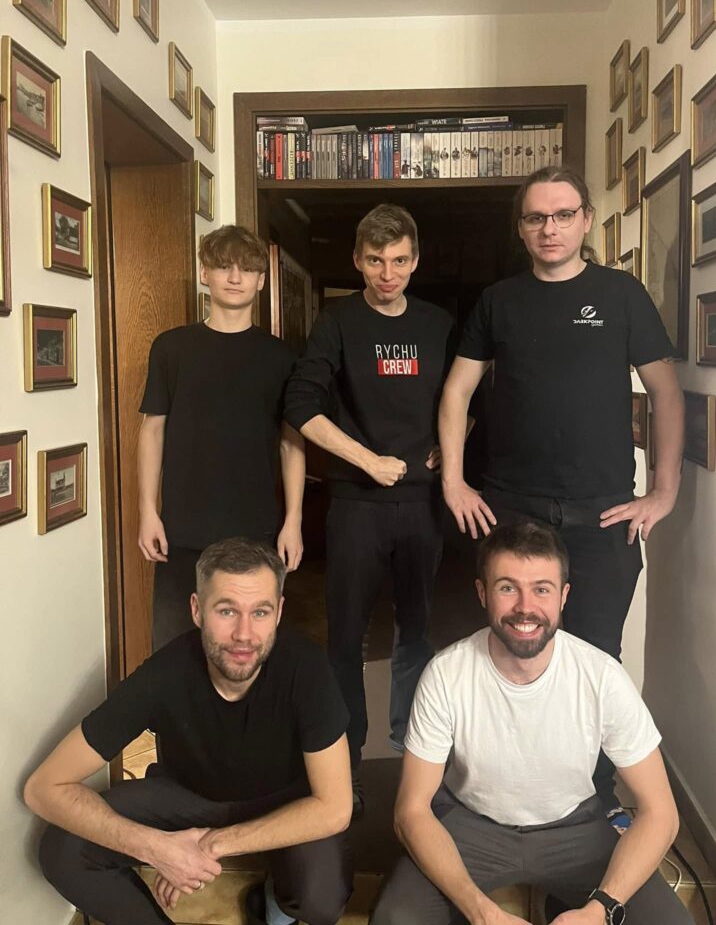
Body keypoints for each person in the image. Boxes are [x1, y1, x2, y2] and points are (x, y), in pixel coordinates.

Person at [438, 165, 684, 810]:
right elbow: (457, 391)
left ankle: (591, 801)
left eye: (563, 215)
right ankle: (498, 794)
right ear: (521, 228)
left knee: (597, 661)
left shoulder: (621, 295)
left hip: (603, 515)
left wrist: (664, 492)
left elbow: (665, 392)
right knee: (508, 655)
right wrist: (455, 482)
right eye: (536, 217)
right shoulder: (498, 301)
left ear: (585, 221)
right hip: (512, 511)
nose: (550, 228)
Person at [371, 522, 693, 925]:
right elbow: (411, 811)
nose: (525, 607)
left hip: (574, 828)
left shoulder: (601, 677)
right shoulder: (445, 674)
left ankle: (562, 903)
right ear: (482, 593)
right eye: (508, 588)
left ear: (563, 596)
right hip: (471, 824)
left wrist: (599, 910)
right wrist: (480, 911)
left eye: (541, 589)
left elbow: (661, 813)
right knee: (396, 918)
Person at [25, 538, 353, 925]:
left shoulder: (308, 669)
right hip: (187, 797)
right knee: (62, 850)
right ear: (197, 610)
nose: (244, 633)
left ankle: (275, 903)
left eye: (260, 612)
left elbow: (335, 807)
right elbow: (43, 788)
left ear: (279, 612)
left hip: (283, 801)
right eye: (227, 611)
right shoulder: (164, 674)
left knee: (322, 895)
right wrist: (157, 848)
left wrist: (211, 846)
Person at [284, 203, 456, 806]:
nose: (389, 274)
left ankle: (413, 753)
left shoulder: (438, 324)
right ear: (358, 260)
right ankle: (346, 761)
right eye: (377, 261)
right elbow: (300, 406)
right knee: (346, 638)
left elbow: (469, 395)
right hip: (356, 502)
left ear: (416, 260)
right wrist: (366, 460)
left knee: (417, 634)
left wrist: (450, 444)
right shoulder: (337, 321)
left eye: (400, 261)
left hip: (423, 504)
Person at [138, 225, 305, 650]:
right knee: (173, 649)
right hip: (182, 529)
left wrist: (294, 521)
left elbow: (291, 444)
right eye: (223, 266)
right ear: (204, 273)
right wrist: (147, 511)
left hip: (256, 529)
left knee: (246, 648)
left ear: (261, 280)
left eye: (246, 269)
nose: (234, 277)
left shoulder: (282, 357)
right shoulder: (171, 348)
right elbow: (152, 430)